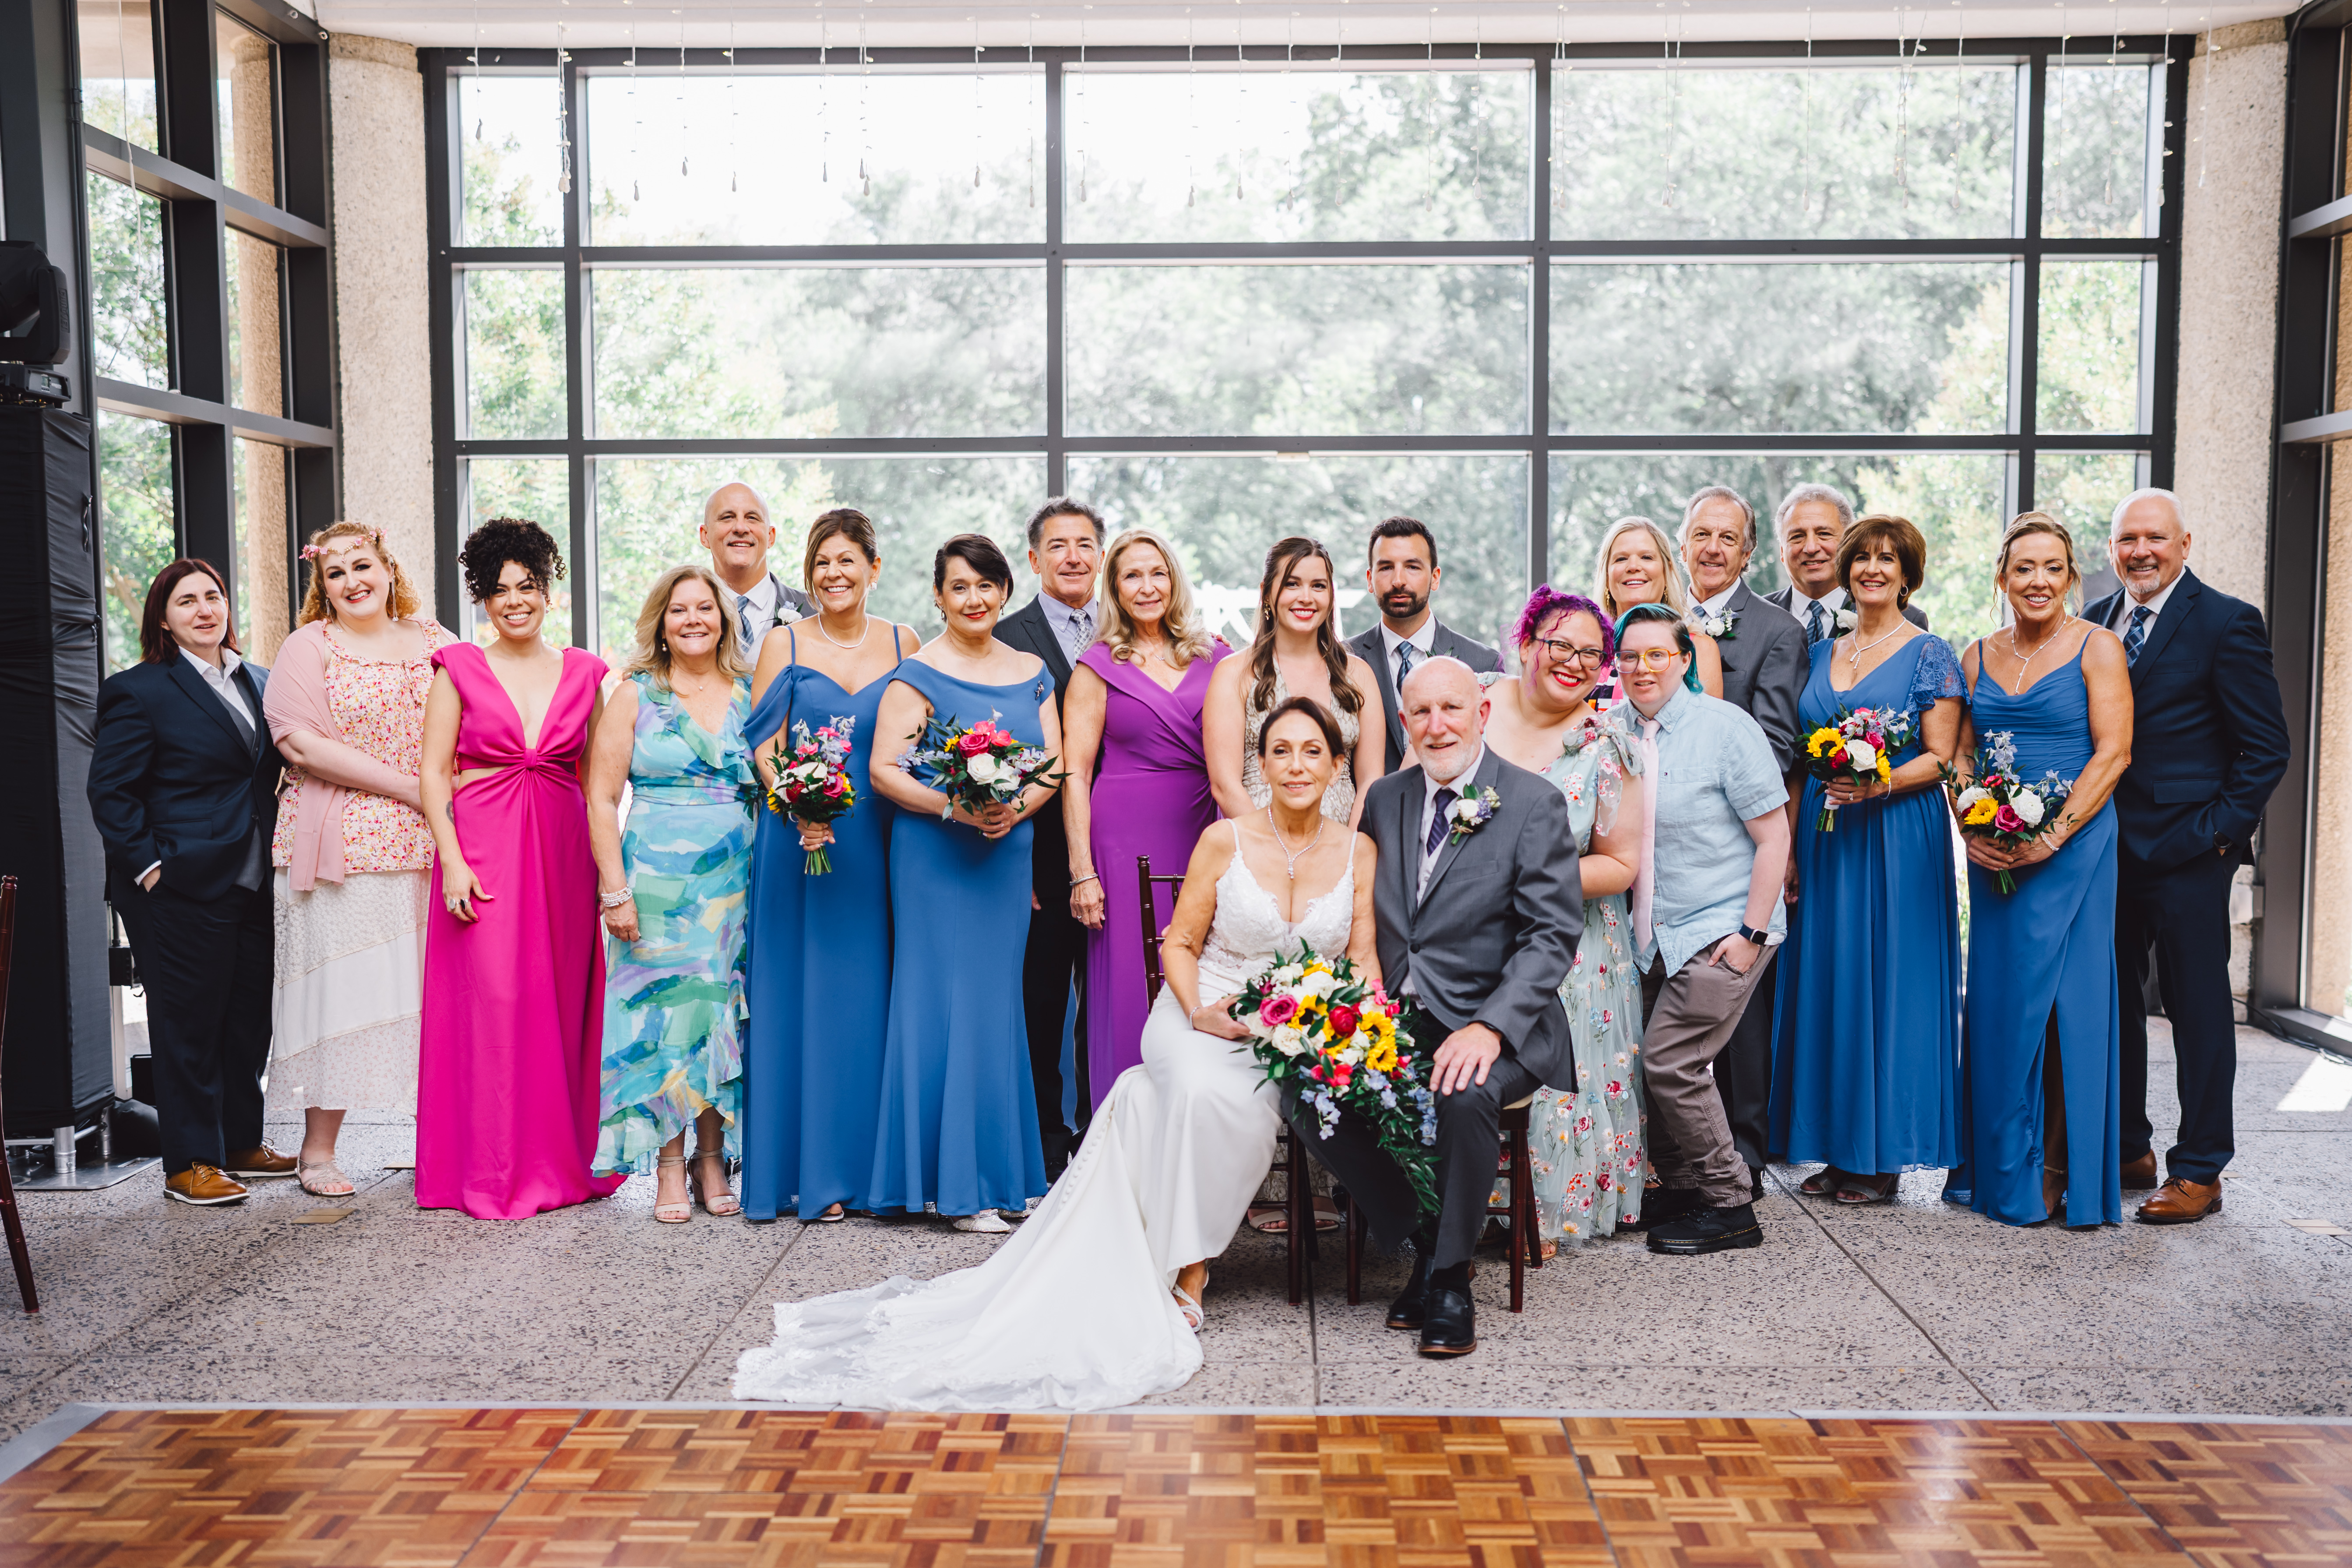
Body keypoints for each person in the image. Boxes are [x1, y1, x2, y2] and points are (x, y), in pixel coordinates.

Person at [734, 700, 1377, 1409]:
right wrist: (1199, 1013)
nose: (1295, 766)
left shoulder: (1359, 851)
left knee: (1188, 1101)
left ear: (1335, 764)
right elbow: (1180, 947)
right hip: (1201, 1011)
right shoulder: (1223, 841)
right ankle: (1186, 1269)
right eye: (1280, 751)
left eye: (1311, 752)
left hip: (1299, 1023)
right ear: (1259, 765)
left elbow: (1362, 956)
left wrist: (1354, 1025)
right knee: (1204, 1093)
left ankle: (1169, 1239)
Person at [1297, 657, 1582, 1359]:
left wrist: (1489, 1027)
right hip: (1398, 1012)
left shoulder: (1531, 802)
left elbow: (1552, 937)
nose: (1437, 725)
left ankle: (1450, 1281)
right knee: (1303, 1086)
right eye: (1420, 712)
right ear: (1403, 723)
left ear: (1482, 712)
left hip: (1502, 1023)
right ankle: (1426, 1237)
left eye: (1452, 709)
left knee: (1463, 1093)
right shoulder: (1386, 797)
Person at [2086, 489, 2289, 1223]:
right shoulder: (2095, 621)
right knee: (2111, 1005)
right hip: (2106, 848)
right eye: (2126, 539)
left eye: (2154, 538)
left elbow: (2266, 748)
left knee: (2197, 1010)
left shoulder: (2225, 621)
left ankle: (2199, 1168)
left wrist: (2217, 835)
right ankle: (2128, 1146)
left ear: (2184, 543)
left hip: (2189, 854)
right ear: (2112, 548)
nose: (2140, 551)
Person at [415, 519, 625, 1221]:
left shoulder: (586, 672)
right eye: (499, 590)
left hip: (563, 852)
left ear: (547, 590)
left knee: (558, 1003)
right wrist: (451, 863)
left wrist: (608, 873)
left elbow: (601, 782)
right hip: (485, 851)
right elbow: (433, 774)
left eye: (527, 586)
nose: (515, 601)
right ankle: (490, 1168)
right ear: (481, 598)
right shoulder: (458, 669)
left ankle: (559, 1161)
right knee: (496, 1003)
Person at [866, 533, 1062, 1231]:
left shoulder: (1032, 669)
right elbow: (885, 769)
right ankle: (953, 1187)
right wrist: (955, 805)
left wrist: (1013, 810)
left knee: (994, 1007)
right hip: (933, 857)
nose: (974, 599)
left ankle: (1004, 1173)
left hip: (1004, 855)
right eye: (959, 587)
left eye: (986, 585)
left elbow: (1052, 763)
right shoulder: (917, 673)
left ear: (1004, 589)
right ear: (939, 596)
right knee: (938, 1004)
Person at [1770, 515, 1965, 1203]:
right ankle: (1838, 1142)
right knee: (1833, 981)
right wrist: (1789, 846)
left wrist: (1880, 780)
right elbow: (1799, 759)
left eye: (1888, 560)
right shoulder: (1822, 653)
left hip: (1896, 836)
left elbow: (1941, 758)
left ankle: (1882, 1155)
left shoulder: (1931, 652)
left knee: (1890, 983)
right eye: (1862, 559)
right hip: (1827, 834)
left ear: (1908, 575)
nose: (1872, 570)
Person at [88, 560, 295, 1206]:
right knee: (187, 1025)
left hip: (254, 880)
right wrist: (151, 867)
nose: (205, 609)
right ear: (163, 618)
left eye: (214, 596)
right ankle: (190, 1162)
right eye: (187, 601)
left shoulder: (259, 680)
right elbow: (110, 790)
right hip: (177, 884)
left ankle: (238, 1143)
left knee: (246, 1021)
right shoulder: (139, 689)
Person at [740, 509, 922, 1225]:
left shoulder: (907, 642)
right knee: (800, 1000)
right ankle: (804, 1173)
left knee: (867, 1000)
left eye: (848, 562)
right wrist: (793, 802)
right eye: (821, 563)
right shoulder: (781, 642)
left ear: (874, 569)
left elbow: (919, 743)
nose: (833, 575)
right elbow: (763, 743)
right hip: (799, 840)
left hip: (877, 842)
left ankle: (867, 1171)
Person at [1951, 513, 2133, 1228]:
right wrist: (1972, 820)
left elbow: (2113, 753)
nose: (2037, 581)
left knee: (2064, 1010)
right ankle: (2000, 1164)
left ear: (2070, 577)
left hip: (2073, 847)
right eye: (2022, 568)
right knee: (1998, 1007)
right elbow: (1960, 753)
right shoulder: (1973, 655)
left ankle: (2059, 1167)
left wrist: (2051, 836)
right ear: (2001, 578)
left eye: (2051, 568)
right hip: (1996, 851)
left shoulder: (2098, 647)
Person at [262, 523, 451, 1199]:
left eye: (363, 565)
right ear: (324, 587)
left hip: (433, 847)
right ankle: (318, 1151)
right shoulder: (308, 646)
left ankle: (439, 1139)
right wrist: (412, 788)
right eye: (336, 573)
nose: (353, 580)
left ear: (389, 569)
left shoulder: (437, 642)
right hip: (342, 845)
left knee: (431, 998)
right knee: (340, 996)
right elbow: (301, 745)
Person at [1609, 604, 1790, 1257]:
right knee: (1642, 1061)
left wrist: (1750, 931)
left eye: (1658, 654)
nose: (1642, 667)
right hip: (1650, 933)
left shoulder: (1726, 728)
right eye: (1630, 656)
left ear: (1685, 660)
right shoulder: (1612, 732)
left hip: (1723, 925)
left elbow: (1774, 838)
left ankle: (1730, 1203)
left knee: (1673, 1062)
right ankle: (1684, 1185)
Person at [586, 565, 759, 1223]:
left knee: (719, 1017)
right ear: (661, 620)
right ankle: (666, 1161)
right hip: (653, 885)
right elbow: (602, 798)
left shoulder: (751, 691)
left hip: (734, 881)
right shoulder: (634, 694)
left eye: (705, 609)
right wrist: (614, 891)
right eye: (679, 610)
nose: (693, 620)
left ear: (724, 618)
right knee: (661, 1020)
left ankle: (712, 1157)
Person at [1475, 588, 1647, 1250]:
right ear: (1525, 644)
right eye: (1560, 645)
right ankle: (1458, 1204)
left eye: (1591, 653)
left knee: (1550, 1075)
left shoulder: (1607, 744)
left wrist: (1523, 883)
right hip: (1468, 934)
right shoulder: (1473, 706)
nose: (1574, 662)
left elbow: (1620, 863)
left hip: (1571, 943)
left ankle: (1545, 1211)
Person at [1061, 528, 1229, 1096]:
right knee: (1132, 984)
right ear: (1114, 587)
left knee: (1205, 973)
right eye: (1132, 575)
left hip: (1205, 834)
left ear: (1175, 579)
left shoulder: (1220, 656)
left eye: (1157, 572)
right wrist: (1082, 870)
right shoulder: (1096, 667)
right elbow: (1075, 774)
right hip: (1121, 845)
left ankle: (1199, 1128)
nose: (1147, 586)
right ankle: (1126, 1143)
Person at [1676, 486, 1807, 1194]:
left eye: (1728, 538)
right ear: (1684, 540)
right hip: (1661, 845)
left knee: (1739, 1000)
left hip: (1735, 839)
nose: (1713, 548)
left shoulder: (1776, 631)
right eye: (1702, 534)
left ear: (1749, 551)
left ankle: (1746, 1151)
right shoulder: (1658, 624)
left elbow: (1777, 741)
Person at [993, 498, 1105, 1171]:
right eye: (1058, 546)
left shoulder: (1130, 629)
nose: (1072, 556)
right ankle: (1046, 1146)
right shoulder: (1004, 637)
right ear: (1035, 559)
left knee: (1112, 1004)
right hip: (1037, 857)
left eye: (1085, 544)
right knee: (1041, 1004)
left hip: (1115, 846)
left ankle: (1106, 1139)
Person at [1207, 536, 1384, 830]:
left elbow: (1371, 780)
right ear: (1266, 592)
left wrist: (1347, 849)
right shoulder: (1233, 673)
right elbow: (1225, 785)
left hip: (1342, 852)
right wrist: (1269, 849)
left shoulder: (1359, 675)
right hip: (1258, 851)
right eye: (1292, 584)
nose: (1306, 597)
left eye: (1318, 585)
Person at [1344, 515, 1503, 773]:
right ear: (1370, 579)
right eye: (1386, 568)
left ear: (1435, 577)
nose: (1398, 581)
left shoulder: (1484, 662)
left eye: (1413, 567)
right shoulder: (1341, 660)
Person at [1765, 483, 1931, 642]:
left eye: (1824, 534)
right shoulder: (1757, 615)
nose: (1811, 548)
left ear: (1848, 545)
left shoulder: (1909, 620)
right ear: (1782, 551)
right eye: (1797, 537)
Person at [1591, 516, 1722, 706]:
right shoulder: (1588, 648)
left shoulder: (1698, 648)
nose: (1634, 567)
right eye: (1621, 559)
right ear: (1606, 574)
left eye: (1647, 557)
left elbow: (1709, 729)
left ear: (1666, 569)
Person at [702, 480, 816, 660]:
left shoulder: (817, 612)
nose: (740, 528)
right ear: (705, 535)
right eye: (727, 517)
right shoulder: (683, 618)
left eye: (752, 518)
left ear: (771, 537)